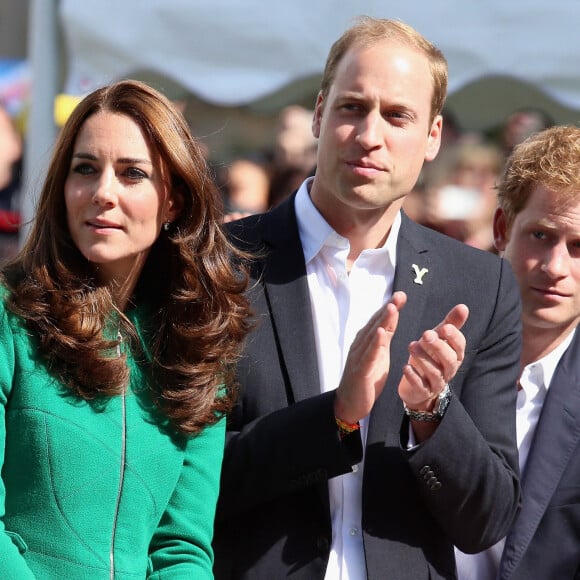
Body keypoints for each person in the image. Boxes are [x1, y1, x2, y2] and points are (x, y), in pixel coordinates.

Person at [215, 16, 522, 580]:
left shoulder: (481, 287)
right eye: (353, 107)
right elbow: (180, 482)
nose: (370, 135)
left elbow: (488, 519)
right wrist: (333, 417)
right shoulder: (218, 265)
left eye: (397, 115)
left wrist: (433, 414)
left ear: (433, 138)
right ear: (318, 112)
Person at [0, 79, 251, 579]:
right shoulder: (10, 317)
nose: (102, 193)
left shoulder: (196, 347)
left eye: (132, 173)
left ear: (174, 202)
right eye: (85, 169)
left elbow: (181, 549)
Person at [456, 125, 580, 579]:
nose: (555, 268)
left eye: (578, 247)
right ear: (502, 229)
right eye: (541, 236)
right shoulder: (432, 348)